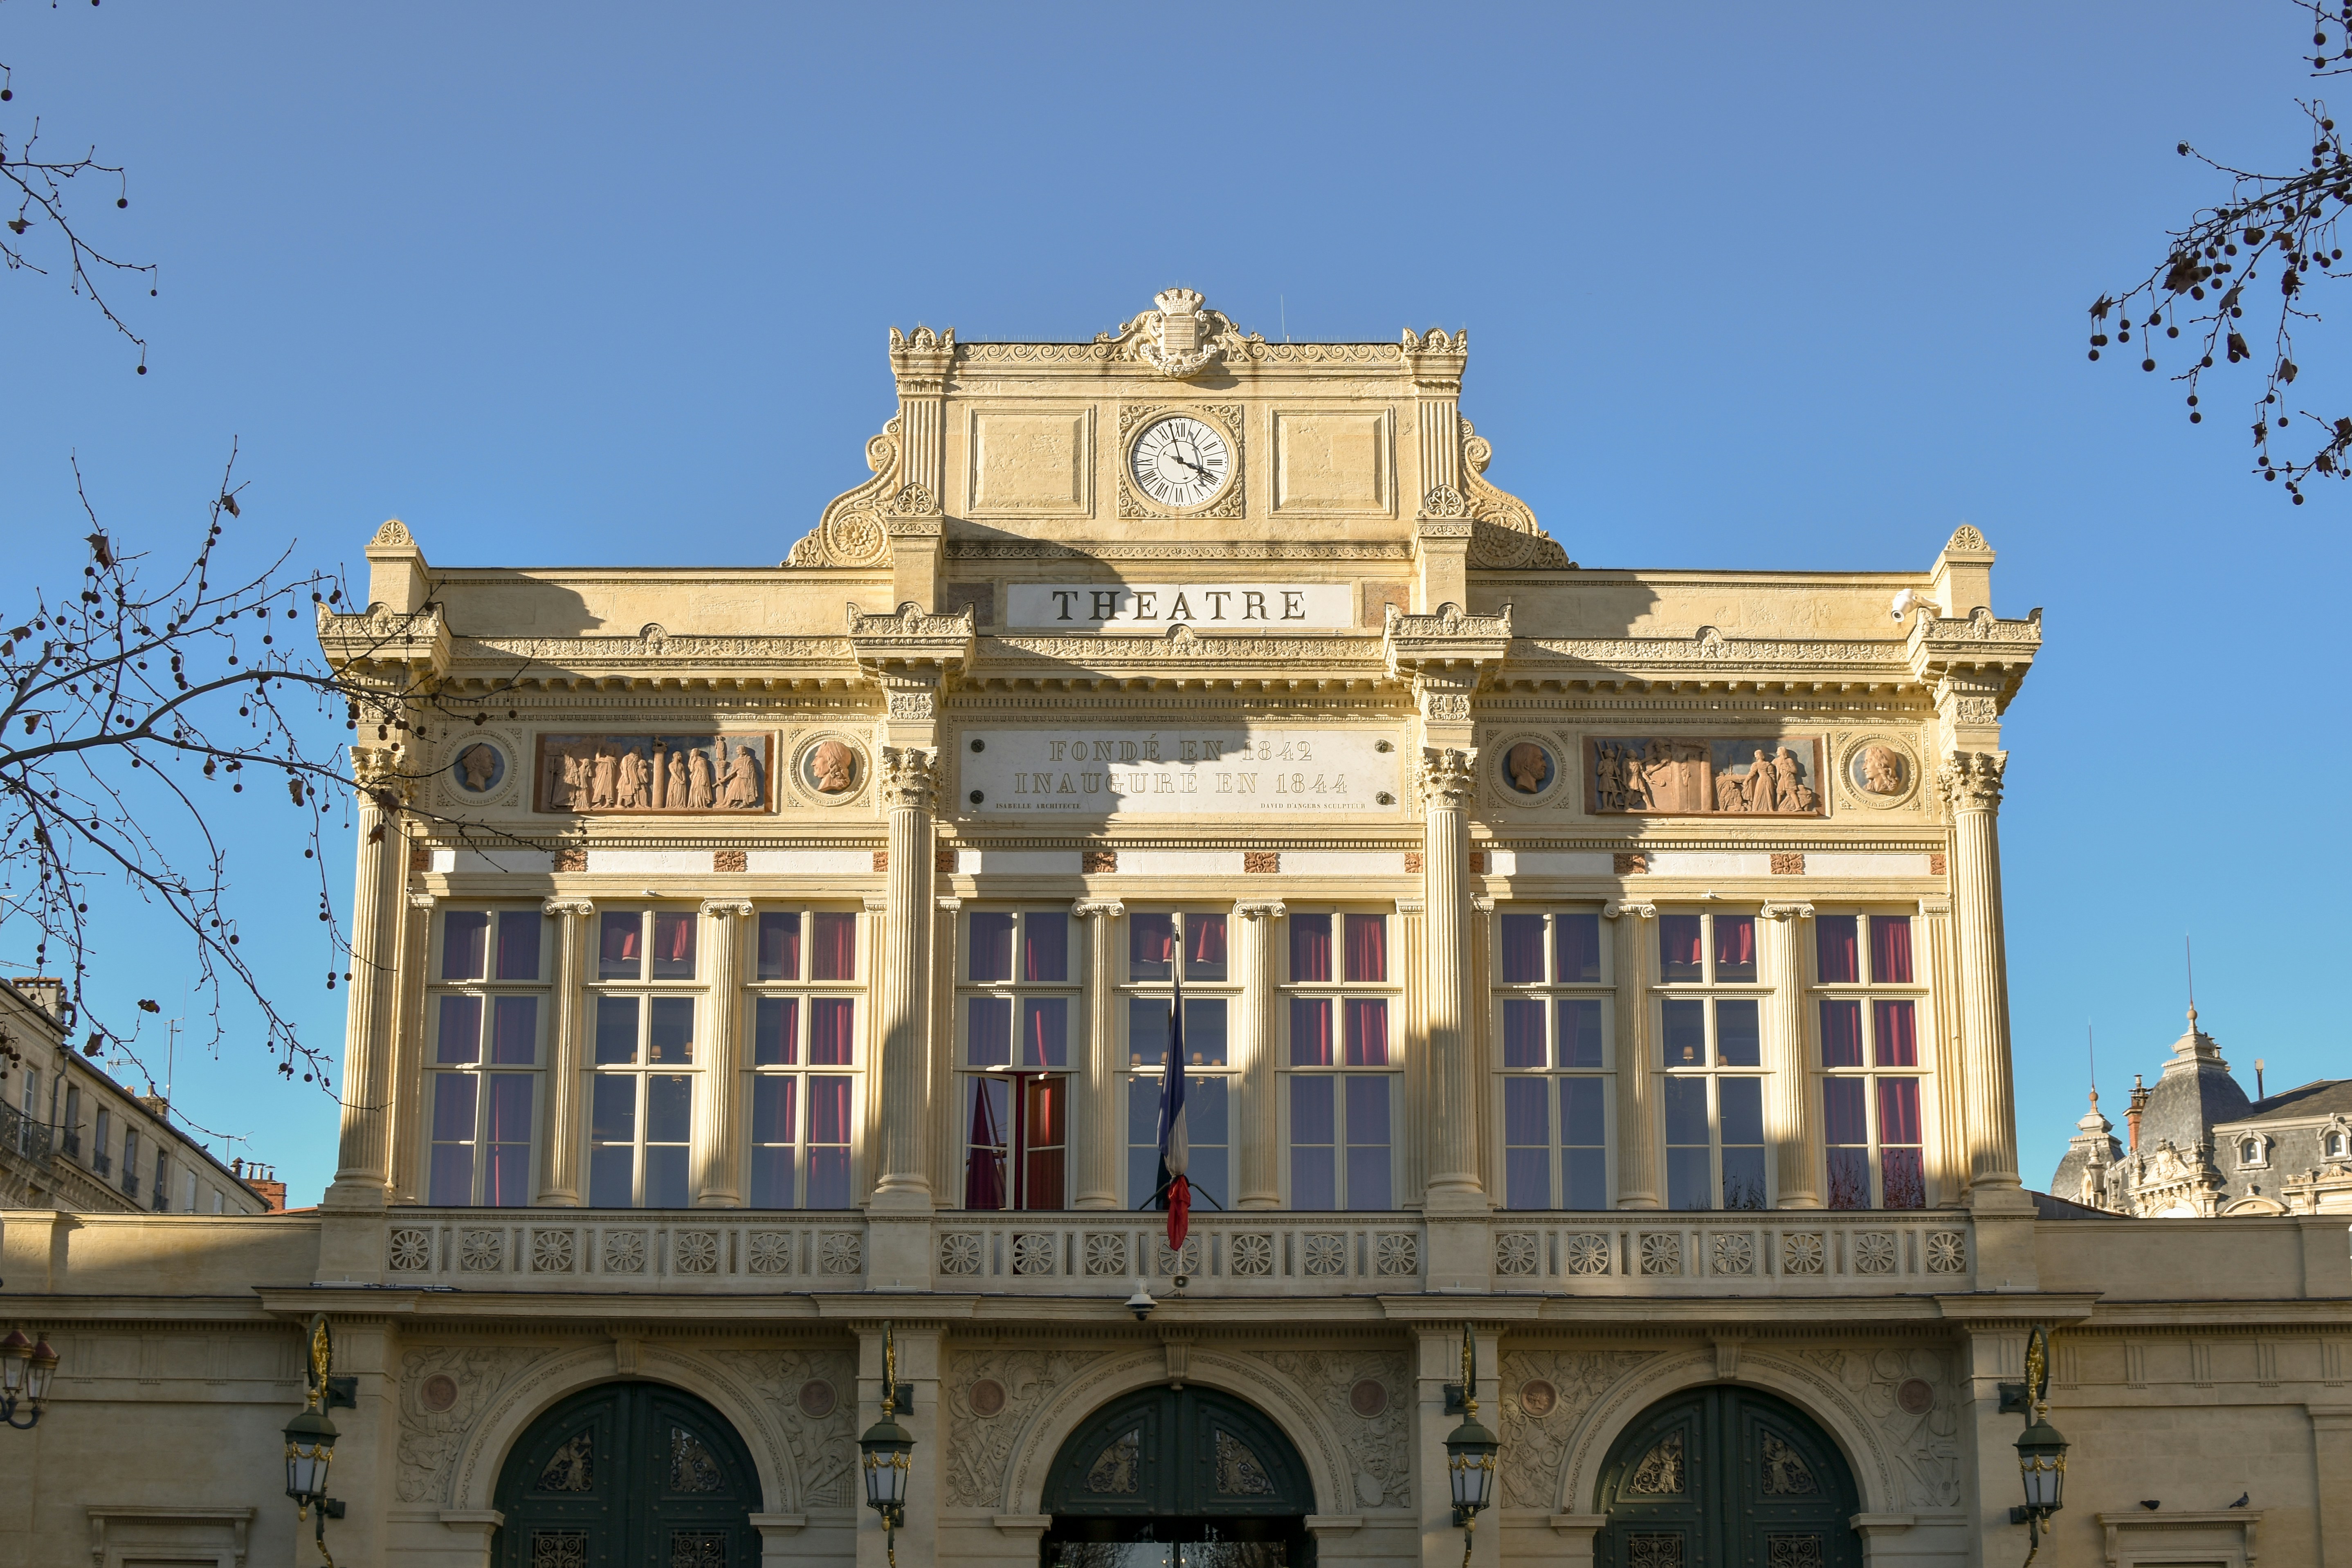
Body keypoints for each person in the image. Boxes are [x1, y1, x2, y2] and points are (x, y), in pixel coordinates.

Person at [721, 740, 764, 809]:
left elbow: (751, 769)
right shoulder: (736, 761)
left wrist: (745, 774)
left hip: (746, 778)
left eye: (738, 750)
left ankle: (745, 803)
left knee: (745, 790)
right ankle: (728, 804)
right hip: (738, 778)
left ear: (742, 750)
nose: (736, 751)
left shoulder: (748, 759)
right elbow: (732, 773)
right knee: (732, 791)